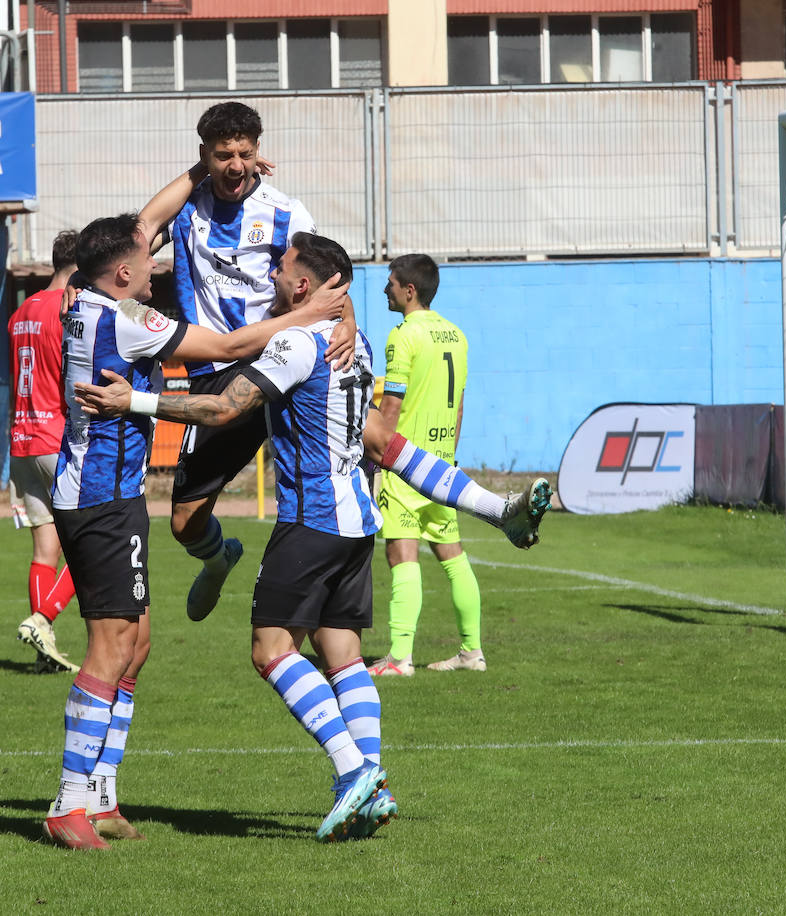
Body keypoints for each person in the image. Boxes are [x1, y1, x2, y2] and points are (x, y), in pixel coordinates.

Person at [74, 233, 553, 840]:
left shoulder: (296, 343)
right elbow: (382, 441)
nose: (271, 274)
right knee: (344, 657)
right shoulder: (357, 345)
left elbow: (224, 409)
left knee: (271, 651)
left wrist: (134, 400)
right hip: (358, 523)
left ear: (303, 285)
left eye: (281, 267)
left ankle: (353, 771)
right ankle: (373, 780)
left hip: (312, 522)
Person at [42, 213, 351, 850]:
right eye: (146, 259)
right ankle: (69, 803)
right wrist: (316, 311)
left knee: (136, 645)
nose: (157, 268)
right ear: (123, 272)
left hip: (110, 495)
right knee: (110, 645)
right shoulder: (128, 319)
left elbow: (143, 225)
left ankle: (101, 797)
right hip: (100, 498)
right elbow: (232, 349)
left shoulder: (84, 303)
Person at [140, 101, 327, 624]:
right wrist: (70, 285)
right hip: (213, 371)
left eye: (245, 153)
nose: (236, 165)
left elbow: (329, 274)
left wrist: (349, 321)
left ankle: (493, 510)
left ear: (258, 152)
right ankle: (220, 559)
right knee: (183, 524)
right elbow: (137, 235)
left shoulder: (287, 211)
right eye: (223, 155)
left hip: (279, 359)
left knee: (368, 441)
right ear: (204, 156)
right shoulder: (186, 209)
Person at [369, 253, 485, 678]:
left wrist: (377, 458)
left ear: (409, 290)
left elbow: (392, 404)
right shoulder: (456, 335)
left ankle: (400, 658)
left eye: (391, 283)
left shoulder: (403, 336)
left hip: (405, 464)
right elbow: (457, 407)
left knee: (401, 554)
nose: (387, 289)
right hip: (441, 463)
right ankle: (472, 651)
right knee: (452, 555)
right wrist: (448, 460)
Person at [9, 230, 80, 674]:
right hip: (57, 440)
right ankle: (43, 618)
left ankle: (44, 653)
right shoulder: (68, 311)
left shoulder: (21, 312)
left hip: (21, 440)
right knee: (92, 548)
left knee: (44, 550)